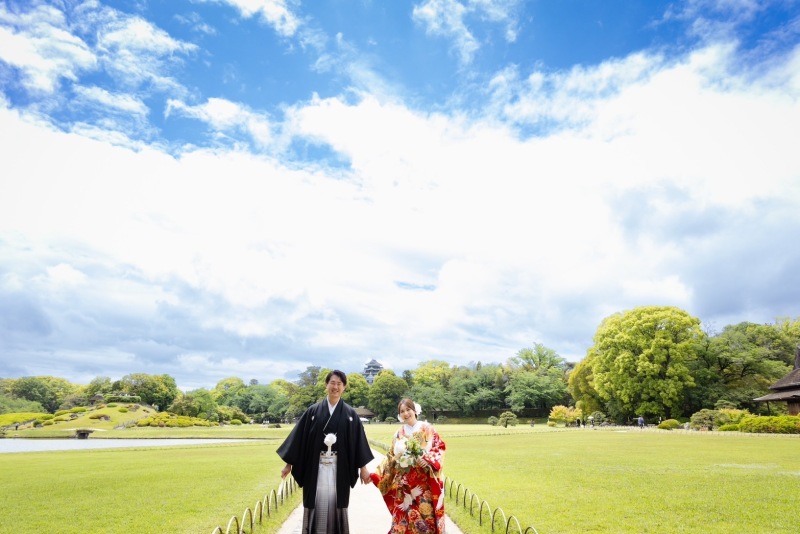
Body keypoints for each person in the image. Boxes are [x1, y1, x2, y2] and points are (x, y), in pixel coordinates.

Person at [277, 370, 374, 534]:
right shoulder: (313, 412)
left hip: (340, 468)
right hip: (316, 467)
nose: (335, 387)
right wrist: (289, 464)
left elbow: (358, 442)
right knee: (316, 502)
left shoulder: (350, 414)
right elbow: (299, 439)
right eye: (332, 383)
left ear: (344, 387)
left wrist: (363, 468)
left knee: (337, 503)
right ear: (326, 385)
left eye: (339, 384)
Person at [370, 398, 446, 533]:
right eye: (402, 411)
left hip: (423, 484)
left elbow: (439, 447)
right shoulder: (399, 434)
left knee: (426, 521)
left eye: (408, 410)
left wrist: (427, 460)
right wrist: (376, 474)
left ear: (415, 410)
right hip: (404, 484)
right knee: (402, 522)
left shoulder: (427, 429)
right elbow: (391, 457)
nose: (406, 413)